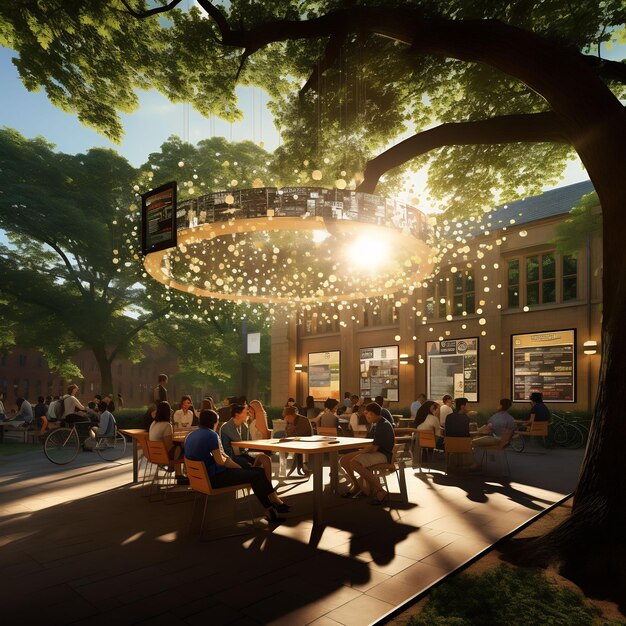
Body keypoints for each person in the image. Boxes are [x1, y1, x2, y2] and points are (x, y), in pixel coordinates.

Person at [184, 409, 290, 523]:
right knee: (256, 475)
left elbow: (219, 457)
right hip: (215, 479)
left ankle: (274, 505)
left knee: (258, 471)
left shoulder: (190, 435)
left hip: (201, 480)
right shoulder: (211, 435)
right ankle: (271, 510)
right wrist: (238, 467)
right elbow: (221, 461)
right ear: (213, 422)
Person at [340, 402, 395, 504]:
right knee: (344, 460)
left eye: (366, 413)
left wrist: (359, 452)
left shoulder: (383, 425)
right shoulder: (379, 423)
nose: (365, 416)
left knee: (354, 463)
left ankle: (380, 490)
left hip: (383, 455)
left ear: (373, 414)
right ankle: (357, 486)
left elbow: (374, 448)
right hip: (378, 453)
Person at [220, 403, 272, 480]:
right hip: (232, 458)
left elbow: (248, 442)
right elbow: (242, 444)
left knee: (266, 458)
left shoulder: (243, 425)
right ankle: (264, 485)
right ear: (237, 414)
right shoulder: (228, 426)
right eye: (246, 412)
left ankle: (269, 485)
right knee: (260, 468)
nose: (248, 414)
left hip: (243, 454)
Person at [445, 397, 479, 470]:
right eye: (468, 405)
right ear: (462, 406)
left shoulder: (448, 417)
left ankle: (455, 464)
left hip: (449, 444)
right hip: (463, 445)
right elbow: (467, 432)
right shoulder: (465, 418)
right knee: (471, 442)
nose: (469, 407)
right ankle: (471, 464)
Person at [148, 401, 182, 472]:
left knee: (178, 447)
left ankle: (173, 469)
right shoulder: (166, 425)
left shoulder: (153, 423)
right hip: (163, 456)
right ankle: (179, 474)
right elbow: (169, 446)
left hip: (154, 454)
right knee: (181, 448)